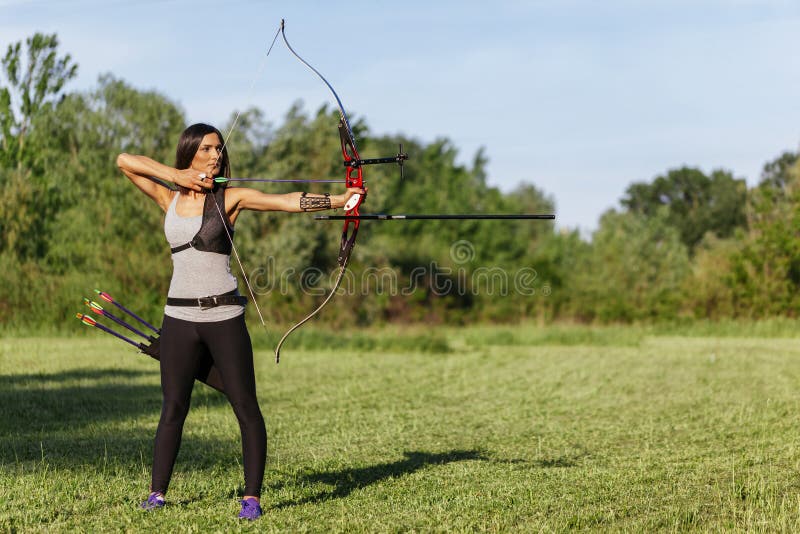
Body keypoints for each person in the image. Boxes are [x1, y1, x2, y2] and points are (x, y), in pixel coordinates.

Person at [116, 123, 365, 520]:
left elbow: (287, 201)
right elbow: (125, 161)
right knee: (173, 407)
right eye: (208, 149)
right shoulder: (169, 196)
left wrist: (340, 200)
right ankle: (156, 494)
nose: (216, 156)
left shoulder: (230, 198)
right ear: (191, 152)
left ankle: (251, 498)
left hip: (223, 317)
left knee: (246, 406)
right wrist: (176, 176)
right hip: (178, 316)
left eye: (219, 150)